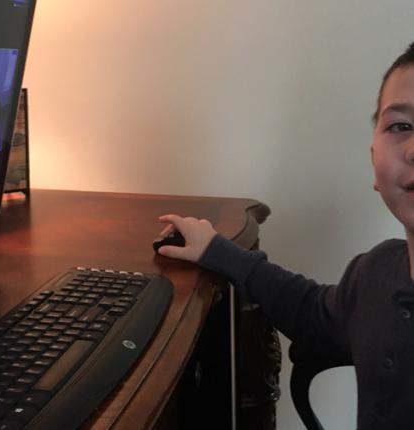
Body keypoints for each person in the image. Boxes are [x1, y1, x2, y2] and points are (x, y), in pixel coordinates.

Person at [155, 41, 414, 429]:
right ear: (373, 157)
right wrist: (217, 250)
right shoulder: (375, 272)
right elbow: (312, 311)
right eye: (401, 126)